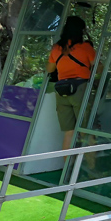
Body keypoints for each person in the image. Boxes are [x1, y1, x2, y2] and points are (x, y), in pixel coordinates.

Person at [46, 16, 96, 150]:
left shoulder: (56, 48)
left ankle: (67, 163)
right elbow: (98, 67)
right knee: (85, 131)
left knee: (69, 132)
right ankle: (89, 162)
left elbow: (50, 69)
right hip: (80, 89)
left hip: (62, 90)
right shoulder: (85, 47)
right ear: (81, 31)